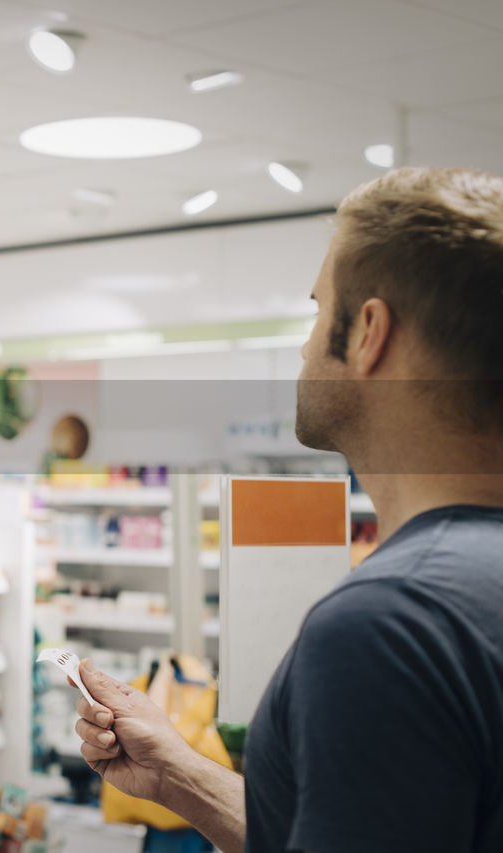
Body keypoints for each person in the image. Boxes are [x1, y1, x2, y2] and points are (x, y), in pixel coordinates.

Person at [72, 166, 503, 852]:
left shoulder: (392, 621)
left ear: (368, 332)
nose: (305, 344)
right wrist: (182, 775)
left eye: (317, 308)